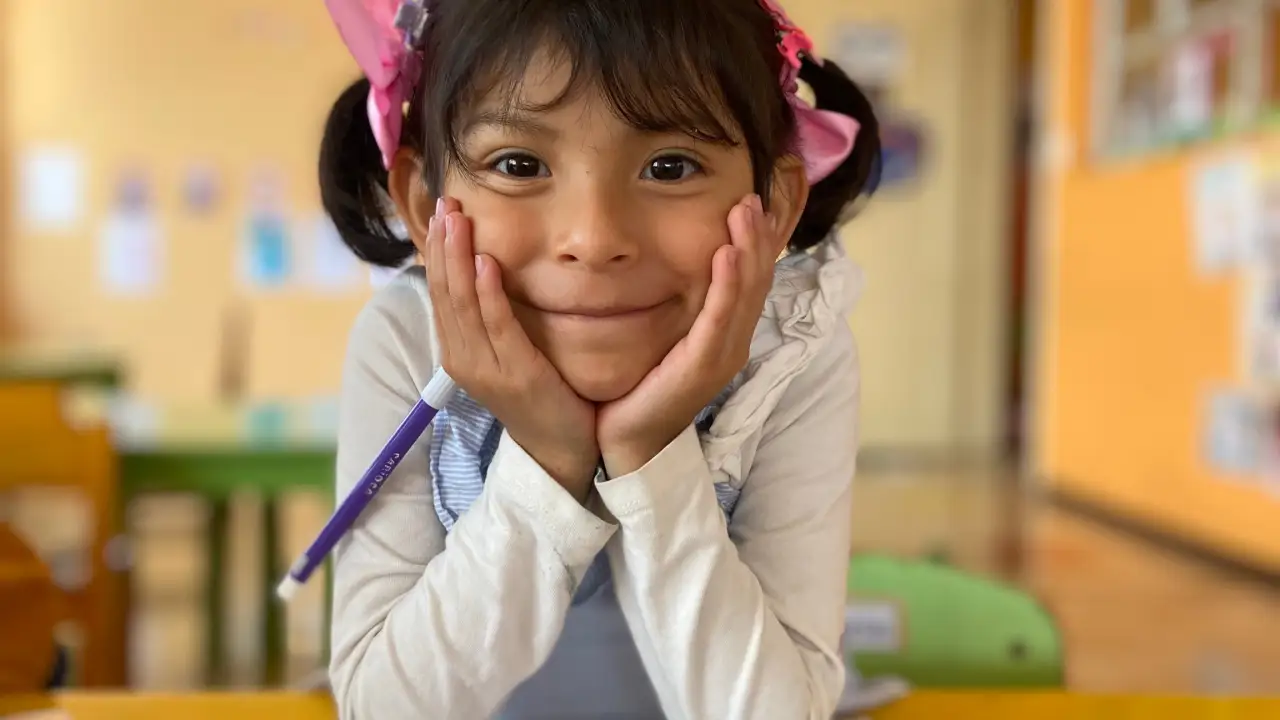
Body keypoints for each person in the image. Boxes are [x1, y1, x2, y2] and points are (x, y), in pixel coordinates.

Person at [319, 0, 884, 717]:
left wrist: (649, 456)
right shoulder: (405, 343)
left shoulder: (793, 354)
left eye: (670, 167)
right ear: (426, 205)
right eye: (519, 164)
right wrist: (549, 458)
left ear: (773, 207)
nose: (593, 238)